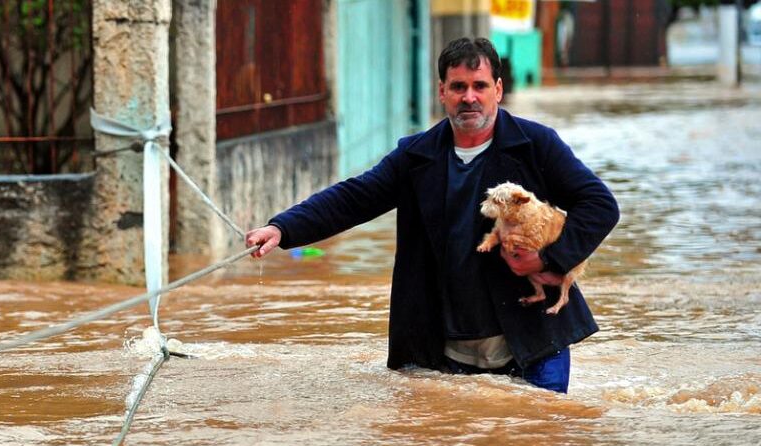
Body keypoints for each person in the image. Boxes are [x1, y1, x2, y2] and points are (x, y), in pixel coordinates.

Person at [244, 38, 618, 393]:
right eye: (458, 87)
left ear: (498, 90)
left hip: (534, 338)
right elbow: (354, 197)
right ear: (442, 92)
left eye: (479, 86)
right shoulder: (417, 156)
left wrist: (550, 259)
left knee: (538, 438)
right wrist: (283, 227)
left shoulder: (536, 145)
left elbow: (599, 204)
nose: (468, 97)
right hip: (445, 347)